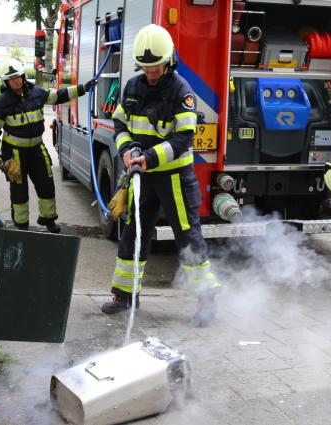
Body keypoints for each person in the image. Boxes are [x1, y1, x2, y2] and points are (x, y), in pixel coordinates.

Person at [99, 24, 221, 327]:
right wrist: (127, 151)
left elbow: (183, 140)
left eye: (156, 67)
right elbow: (120, 125)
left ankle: (206, 300)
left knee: (186, 236)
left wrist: (148, 158)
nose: (151, 73)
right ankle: (124, 295)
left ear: (169, 62)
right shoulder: (132, 87)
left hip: (175, 177)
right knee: (132, 232)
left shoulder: (182, 92)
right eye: (146, 67)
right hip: (142, 175)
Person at [0, 60, 95, 233]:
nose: (16, 81)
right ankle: (21, 225)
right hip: (14, 154)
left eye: (18, 77)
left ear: (23, 76)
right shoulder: (1, 103)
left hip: (37, 149)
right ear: (6, 82)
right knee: (19, 192)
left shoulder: (36, 93)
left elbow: (59, 95)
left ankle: (48, 220)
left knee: (47, 185)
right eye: (12, 79)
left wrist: (83, 88)